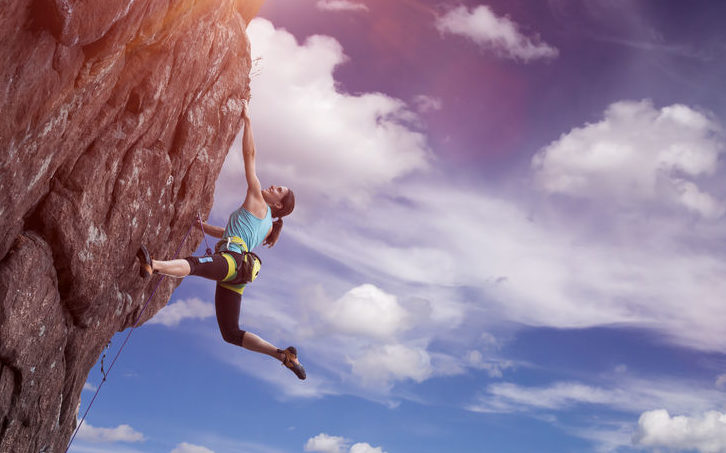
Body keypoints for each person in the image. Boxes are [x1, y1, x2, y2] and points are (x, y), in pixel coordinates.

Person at [137, 102, 305, 380]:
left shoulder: (257, 198)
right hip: (238, 269)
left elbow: (249, 155)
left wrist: (248, 122)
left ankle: (152, 265)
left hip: (232, 262)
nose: (273, 186)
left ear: (278, 204)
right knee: (230, 333)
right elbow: (230, 233)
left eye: (279, 190)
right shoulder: (265, 225)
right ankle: (281, 355)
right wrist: (202, 226)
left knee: (195, 265)